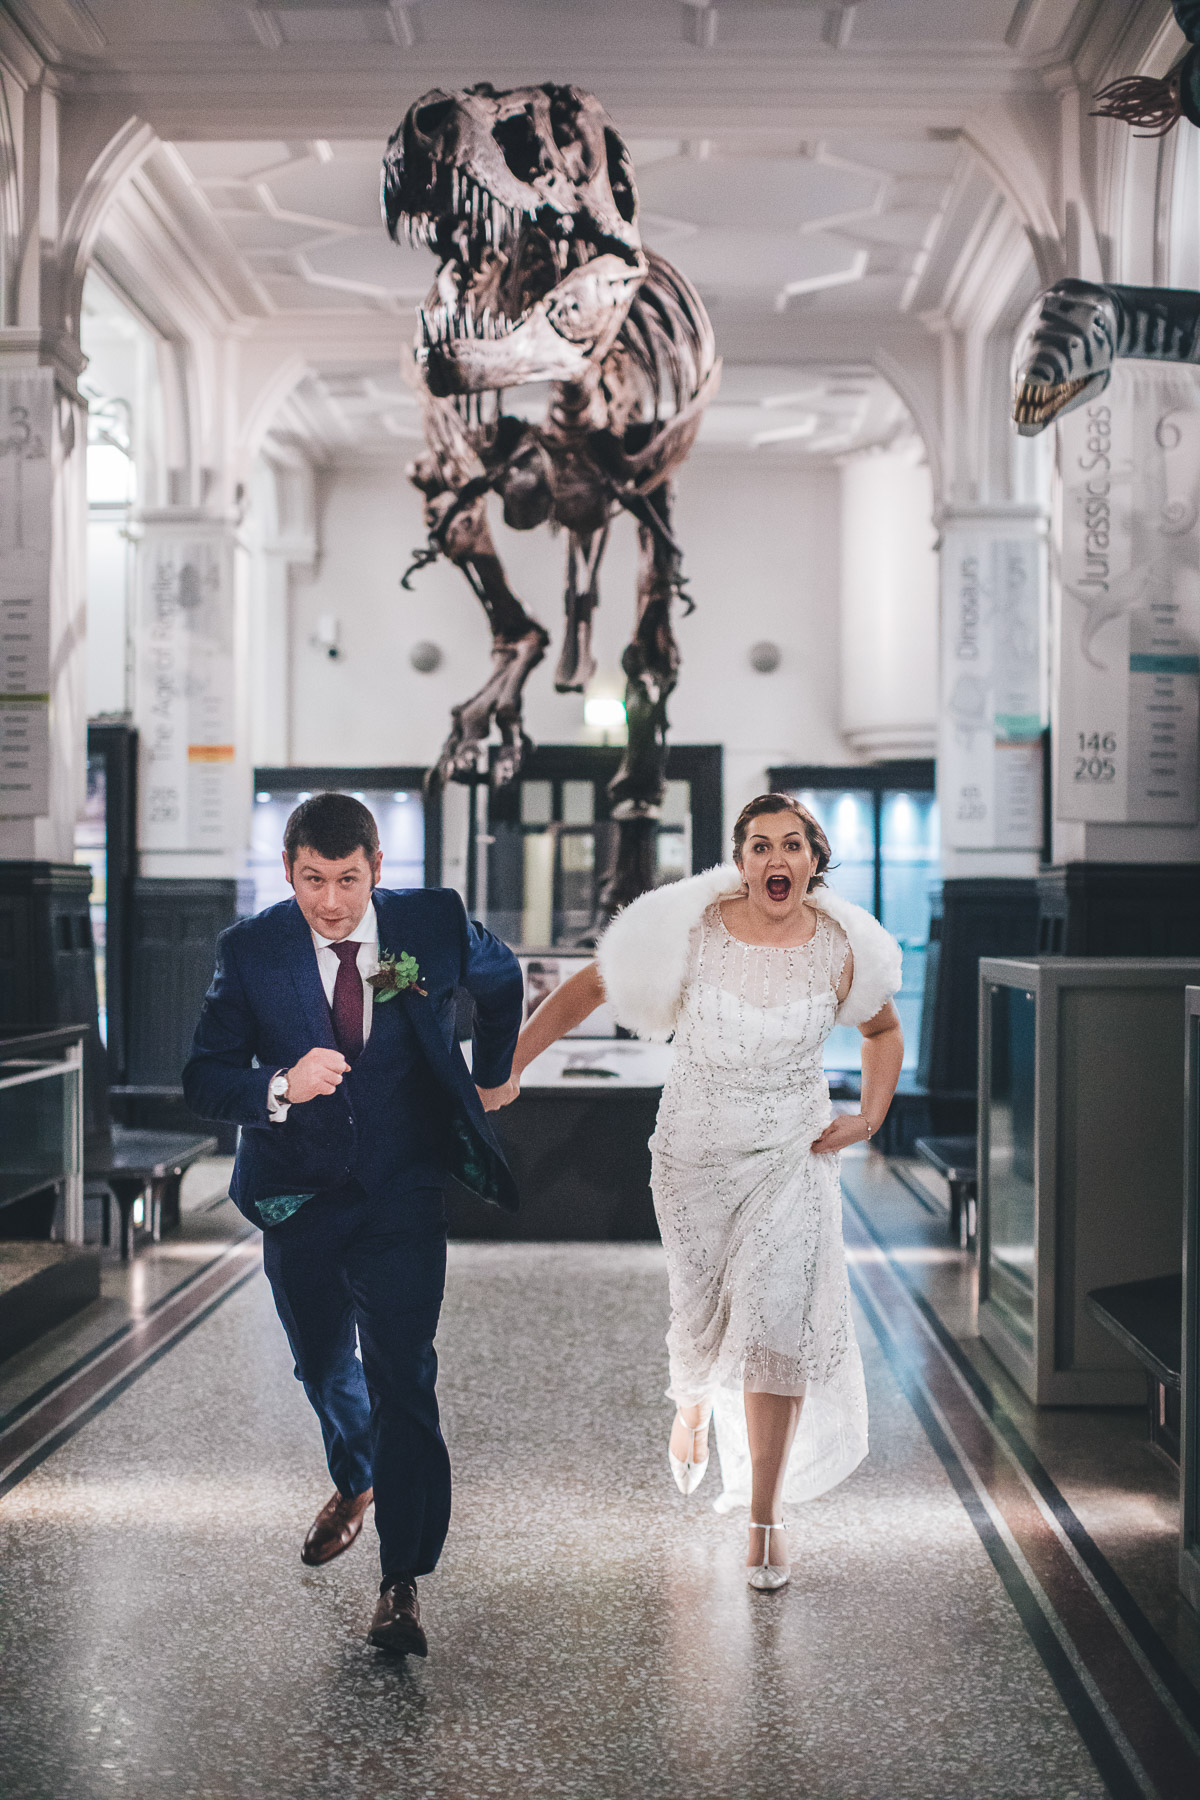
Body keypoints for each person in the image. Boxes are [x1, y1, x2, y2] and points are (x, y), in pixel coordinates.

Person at [493, 794, 903, 1591]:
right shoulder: (694, 931)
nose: (775, 860)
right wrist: (513, 1064)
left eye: (792, 845)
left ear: (814, 860)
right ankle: (691, 1403)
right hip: (693, 1158)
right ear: (740, 860)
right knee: (702, 1318)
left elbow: (881, 1030)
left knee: (774, 1324)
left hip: (792, 1157)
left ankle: (765, 1515)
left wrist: (871, 1116)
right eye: (759, 846)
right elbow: (591, 987)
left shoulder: (844, 948)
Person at [182, 792, 523, 1655]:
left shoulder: (433, 924)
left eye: (346, 879)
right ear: (287, 871)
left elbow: (501, 976)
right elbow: (202, 1078)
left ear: (376, 868)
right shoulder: (251, 950)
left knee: (405, 1375)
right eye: (310, 880)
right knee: (323, 1360)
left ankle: (400, 1584)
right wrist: (280, 1085)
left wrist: (493, 1073)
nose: (330, 902)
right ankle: (356, 1475)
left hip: (402, 1193)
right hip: (298, 1194)